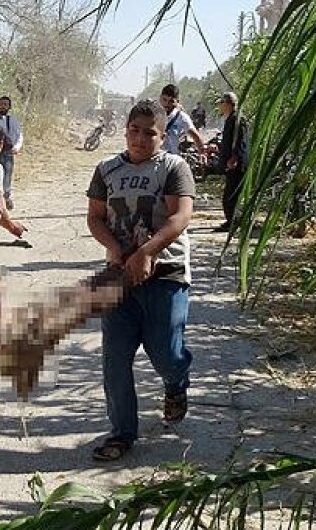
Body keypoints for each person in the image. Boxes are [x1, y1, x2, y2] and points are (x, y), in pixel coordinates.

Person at [85, 99, 195, 461]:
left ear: (162, 136)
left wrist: (147, 251)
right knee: (115, 358)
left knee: (166, 352)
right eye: (134, 130)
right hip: (119, 277)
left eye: (150, 132)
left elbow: (179, 217)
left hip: (166, 274)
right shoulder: (106, 169)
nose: (140, 138)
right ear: (125, 130)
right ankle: (121, 433)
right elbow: (96, 217)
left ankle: (176, 383)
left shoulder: (173, 167)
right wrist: (113, 248)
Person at [214, 91, 250, 233]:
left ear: (228, 103)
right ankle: (233, 220)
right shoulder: (231, 118)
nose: (220, 106)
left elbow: (240, 141)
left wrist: (234, 157)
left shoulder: (237, 119)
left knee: (230, 196)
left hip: (236, 164)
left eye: (222, 102)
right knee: (230, 194)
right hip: (231, 163)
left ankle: (233, 222)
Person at [0, 95, 23, 210]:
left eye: (5, 104)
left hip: (8, 152)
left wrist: (17, 147)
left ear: (9, 107)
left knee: (7, 175)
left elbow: (19, 135)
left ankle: (6, 197)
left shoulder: (13, 120)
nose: (3, 106)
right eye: (1, 103)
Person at [158, 84, 205, 155]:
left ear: (177, 101)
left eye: (171, 101)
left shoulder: (182, 117)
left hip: (172, 160)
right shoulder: (153, 114)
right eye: (164, 100)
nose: (167, 104)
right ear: (160, 98)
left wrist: (202, 154)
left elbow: (196, 137)